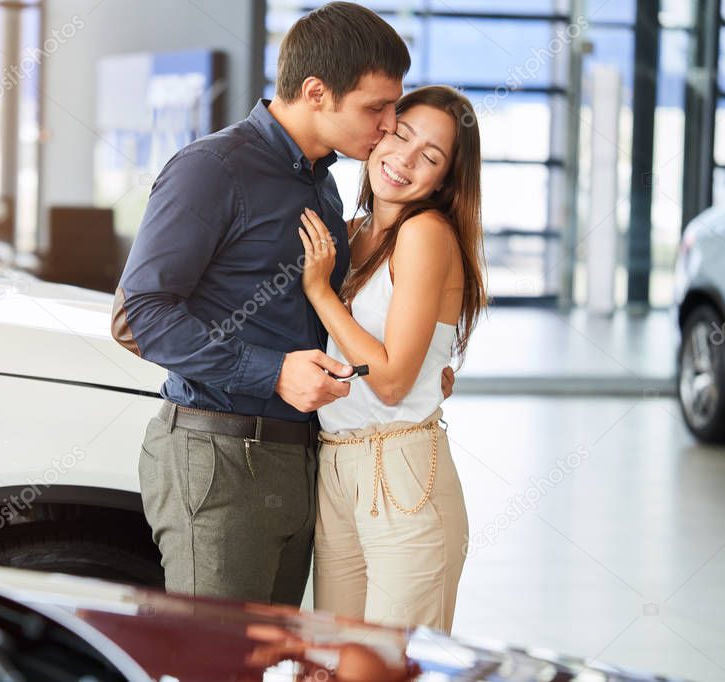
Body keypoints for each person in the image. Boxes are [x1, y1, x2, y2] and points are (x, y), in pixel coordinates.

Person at [112, 2, 454, 606]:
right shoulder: (213, 168)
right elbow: (138, 314)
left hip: (302, 462)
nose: (387, 126)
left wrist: (429, 366)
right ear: (317, 91)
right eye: (376, 108)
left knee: (270, 662)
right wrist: (272, 372)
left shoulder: (323, 184)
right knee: (218, 668)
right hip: (217, 454)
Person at [297, 85, 488, 633]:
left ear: (446, 179)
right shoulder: (352, 233)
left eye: (430, 156)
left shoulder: (425, 232)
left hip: (400, 474)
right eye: (401, 135)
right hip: (335, 466)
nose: (404, 159)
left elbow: (390, 381)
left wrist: (320, 293)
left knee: (384, 669)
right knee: (338, 666)